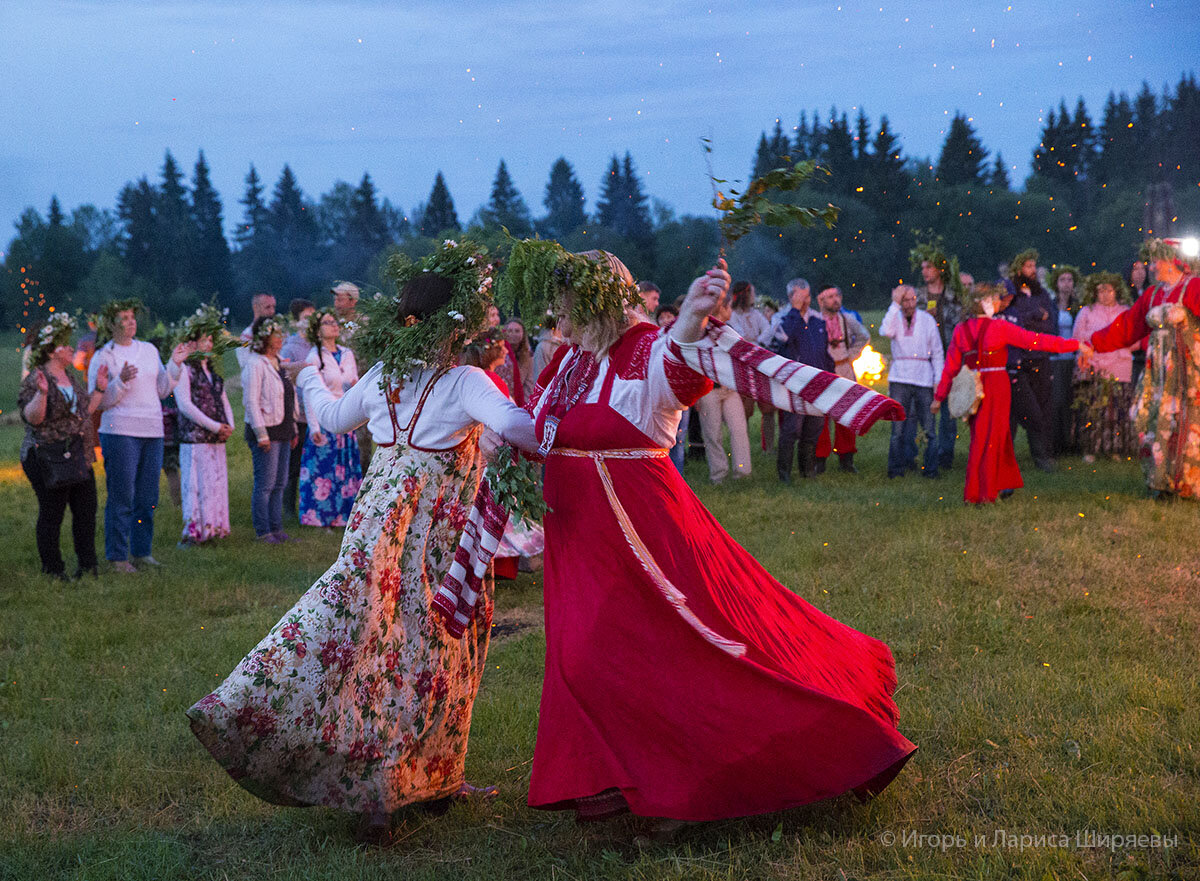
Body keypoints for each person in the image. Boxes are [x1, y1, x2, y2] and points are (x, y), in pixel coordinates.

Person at [508, 247, 914, 827]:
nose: (555, 312)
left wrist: (696, 317)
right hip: (579, 538)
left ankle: (685, 782)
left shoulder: (647, 350)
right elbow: (535, 427)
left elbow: (681, 365)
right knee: (582, 658)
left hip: (639, 533)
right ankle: (614, 777)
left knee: (662, 653)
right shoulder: (568, 363)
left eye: (566, 302)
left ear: (597, 301)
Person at [187, 240, 539, 845]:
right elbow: (512, 426)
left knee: (375, 641)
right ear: (453, 325)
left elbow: (331, 417)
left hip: (380, 527)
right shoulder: (464, 382)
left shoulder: (384, 376)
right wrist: (567, 414)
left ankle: (417, 781)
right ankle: (406, 782)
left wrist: (306, 383)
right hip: (437, 542)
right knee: (440, 645)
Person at [932, 284, 1088, 504]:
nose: (999, 303)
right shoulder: (999, 328)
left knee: (988, 435)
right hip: (995, 385)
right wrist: (1073, 345)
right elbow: (1036, 341)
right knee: (991, 438)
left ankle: (1001, 484)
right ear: (985, 303)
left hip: (971, 387)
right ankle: (982, 493)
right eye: (995, 299)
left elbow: (950, 367)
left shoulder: (961, 330)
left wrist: (939, 397)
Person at [1084, 238, 1200, 499]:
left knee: (1188, 422)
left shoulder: (1193, 287)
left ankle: (1187, 483)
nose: (1151, 266)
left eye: (1157, 260)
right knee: (1156, 422)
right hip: (1159, 375)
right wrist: (1092, 344)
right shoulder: (1153, 294)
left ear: (1173, 261)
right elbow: (1128, 326)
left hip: (1188, 374)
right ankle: (1161, 482)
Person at [87, 299, 188, 573]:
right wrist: (121, 381)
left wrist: (175, 364)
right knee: (122, 495)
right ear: (111, 324)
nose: (131, 321)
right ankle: (118, 556)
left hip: (152, 430)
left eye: (132, 316)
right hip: (120, 431)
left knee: (147, 496)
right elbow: (101, 402)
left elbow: (162, 389)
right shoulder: (104, 356)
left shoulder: (148, 350)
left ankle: (142, 551)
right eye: (124, 317)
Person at [18, 313, 108, 581]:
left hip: (77, 453)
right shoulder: (37, 377)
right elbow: (33, 418)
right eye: (66, 344)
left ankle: (88, 565)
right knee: (52, 511)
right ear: (52, 350)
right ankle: (53, 569)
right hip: (47, 455)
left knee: (86, 510)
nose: (72, 348)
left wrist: (100, 390)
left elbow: (82, 413)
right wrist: (42, 394)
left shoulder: (70, 376)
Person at [174, 304, 236, 546]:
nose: (208, 345)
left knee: (214, 482)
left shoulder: (212, 371)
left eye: (211, 340)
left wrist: (228, 424)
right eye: (204, 340)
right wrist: (213, 425)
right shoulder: (185, 370)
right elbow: (185, 404)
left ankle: (214, 528)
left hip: (216, 436)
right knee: (194, 485)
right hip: (195, 437)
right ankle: (193, 531)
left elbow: (224, 400)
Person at [298, 309, 362, 529]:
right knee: (324, 469)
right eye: (327, 322)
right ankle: (320, 516)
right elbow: (309, 392)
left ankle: (344, 515)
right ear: (317, 331)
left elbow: (354, 383)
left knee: (345, 466)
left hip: (345, 415)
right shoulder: (314, 356)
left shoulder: (346, 353)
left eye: (335, 322)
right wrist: (313, 425)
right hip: (324, 417)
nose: (334, 325)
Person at [240, 315, 296, 543]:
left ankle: (277, 527)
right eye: (275, 334)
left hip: (282, 428)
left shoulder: (280, 362)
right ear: (264, 338)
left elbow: (290, 398)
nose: (280, 338)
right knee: (266, 483)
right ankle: (263, 530)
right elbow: (251, 401)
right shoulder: (255, 364)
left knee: (280, 482)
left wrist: (293, 426)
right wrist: (261, 434)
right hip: (266, 430)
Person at [1003, 249, 1059, 472]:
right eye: (1028, 266)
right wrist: (1034, 316)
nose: (1033, 271)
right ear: (1019, 270)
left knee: (1043, 409)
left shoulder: (1041, 293)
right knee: (1016, 412)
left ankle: (1043, 456)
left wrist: (1034, 321)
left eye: (1034, 266)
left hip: (1041, 357)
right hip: (1019, 360)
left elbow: (1049, 325)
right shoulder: (1012, 295)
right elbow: (1016, 326)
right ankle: (1006, 458)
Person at [881, 285, 944, 479]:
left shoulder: (927, 320)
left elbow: (937, 352)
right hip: (900, 378)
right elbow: (885, 331)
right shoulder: (895, 318)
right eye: (905, 300)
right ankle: (896, 469)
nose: (909, 304)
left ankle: (931, 469)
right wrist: (894, 305)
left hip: (923, 378)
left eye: (912, 299)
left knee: (929, 428)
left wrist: (938, 380)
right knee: (898, 429)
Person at [1071, 272, 1135, 462]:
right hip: (1095, 366)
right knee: (1094, 408)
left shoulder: (1125, 311)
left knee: (1117, 408)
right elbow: (1077, 338)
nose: (1105, 294)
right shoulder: (1087, 312)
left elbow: (1132, 337)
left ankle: (1116, 448)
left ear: (1116, 291)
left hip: (1119, 366)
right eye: (1101, 291)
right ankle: (1091, 448)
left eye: (1109, 290)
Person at [694, 296, 752, 483]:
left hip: (730, 389)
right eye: (729, 308)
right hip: (708, 390)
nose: (731, 311)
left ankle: (742, 472)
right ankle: (718, 475)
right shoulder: (702, 333)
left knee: (739, 429)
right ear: (722, 309)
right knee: (712, 433)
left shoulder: (730, 331)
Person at [776, 278, 829, 481]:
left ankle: (808, 471)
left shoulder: (817, 319)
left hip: (817, 381)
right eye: (801, 296)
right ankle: (785, 474)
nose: (806, 300)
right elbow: (783, 338)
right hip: (794, 382)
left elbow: (824, 351)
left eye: (807, 295)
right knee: (791, 428)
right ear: (792, 297)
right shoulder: (783, 318)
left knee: (813, 427)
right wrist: (795, 312)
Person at [916, 247, 964, 471]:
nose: (925, 271)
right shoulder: (918, 296)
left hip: (950, 356)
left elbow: (962, 323)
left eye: (930, 266)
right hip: (924, 359)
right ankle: (925, 452)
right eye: (923, 267)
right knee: (925, 407)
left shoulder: (953, 294)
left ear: (940, 269)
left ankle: (946, 455)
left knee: (948, 411)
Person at [813, 286, 870, 473]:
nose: (835, 300)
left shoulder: (846, 319)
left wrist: (851, 354)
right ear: (820, 300)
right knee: (820, 418)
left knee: (845, 415)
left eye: (837, 295)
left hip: (844, 369)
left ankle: (846, 459)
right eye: (830, 297)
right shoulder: (814, 319)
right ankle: (819, 460)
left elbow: (864, 336)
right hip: (823, 372)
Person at [727, 281, 777, 451]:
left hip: (759, 366)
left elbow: (767, 331)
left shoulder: (756, 315)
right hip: (742, 367)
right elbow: (738, 338)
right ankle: (744, 448)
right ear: (744, 294)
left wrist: (755, 341)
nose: (754, 297)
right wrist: (749, 341)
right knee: (744, 410)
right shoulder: (732, 315)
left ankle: (768, 448)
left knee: (768, 408)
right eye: (752, 293)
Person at [281, 299, 316, 521]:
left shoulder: (316, 345)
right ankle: (288, 509)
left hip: (316, 412)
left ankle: (310, 505)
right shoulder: (290, 347)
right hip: (299, 412)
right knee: (294, 464)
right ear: (296, 321)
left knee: (311, 463)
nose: (309, 322)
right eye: (305, 318)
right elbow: (286, 379)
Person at [1047, 265, 1082, 455]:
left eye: (1069, 279)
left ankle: (1072, 441)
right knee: (1057, 400)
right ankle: (1056, 442)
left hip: (1072, 357)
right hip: (1055, 358)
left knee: (1073, 400)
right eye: (1062, 280)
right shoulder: (1050, 305)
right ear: (1056, 283)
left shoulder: (1078, 306)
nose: (1066, 284)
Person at [235, 292, 276, 370]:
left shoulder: (277, 331)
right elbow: (246, 365)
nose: (272, 311)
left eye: (273, 307)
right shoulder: (246, 338)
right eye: (267, 307)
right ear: (255, 308)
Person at [501, 319, 535, 402]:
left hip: (518, 402)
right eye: (510, 331)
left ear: (523, 334)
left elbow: (528, 384)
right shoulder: (499, 354)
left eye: (517, 331)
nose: (513, 334)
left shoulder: (528, 356)